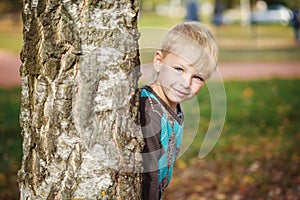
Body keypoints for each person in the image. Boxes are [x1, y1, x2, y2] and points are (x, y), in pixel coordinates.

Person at [139, 22, 219, 200]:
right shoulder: (150, 109)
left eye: (197, 77)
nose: (186, 83)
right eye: (179, 69)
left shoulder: (173, 107)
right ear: (159, 62)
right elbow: (150, 173)